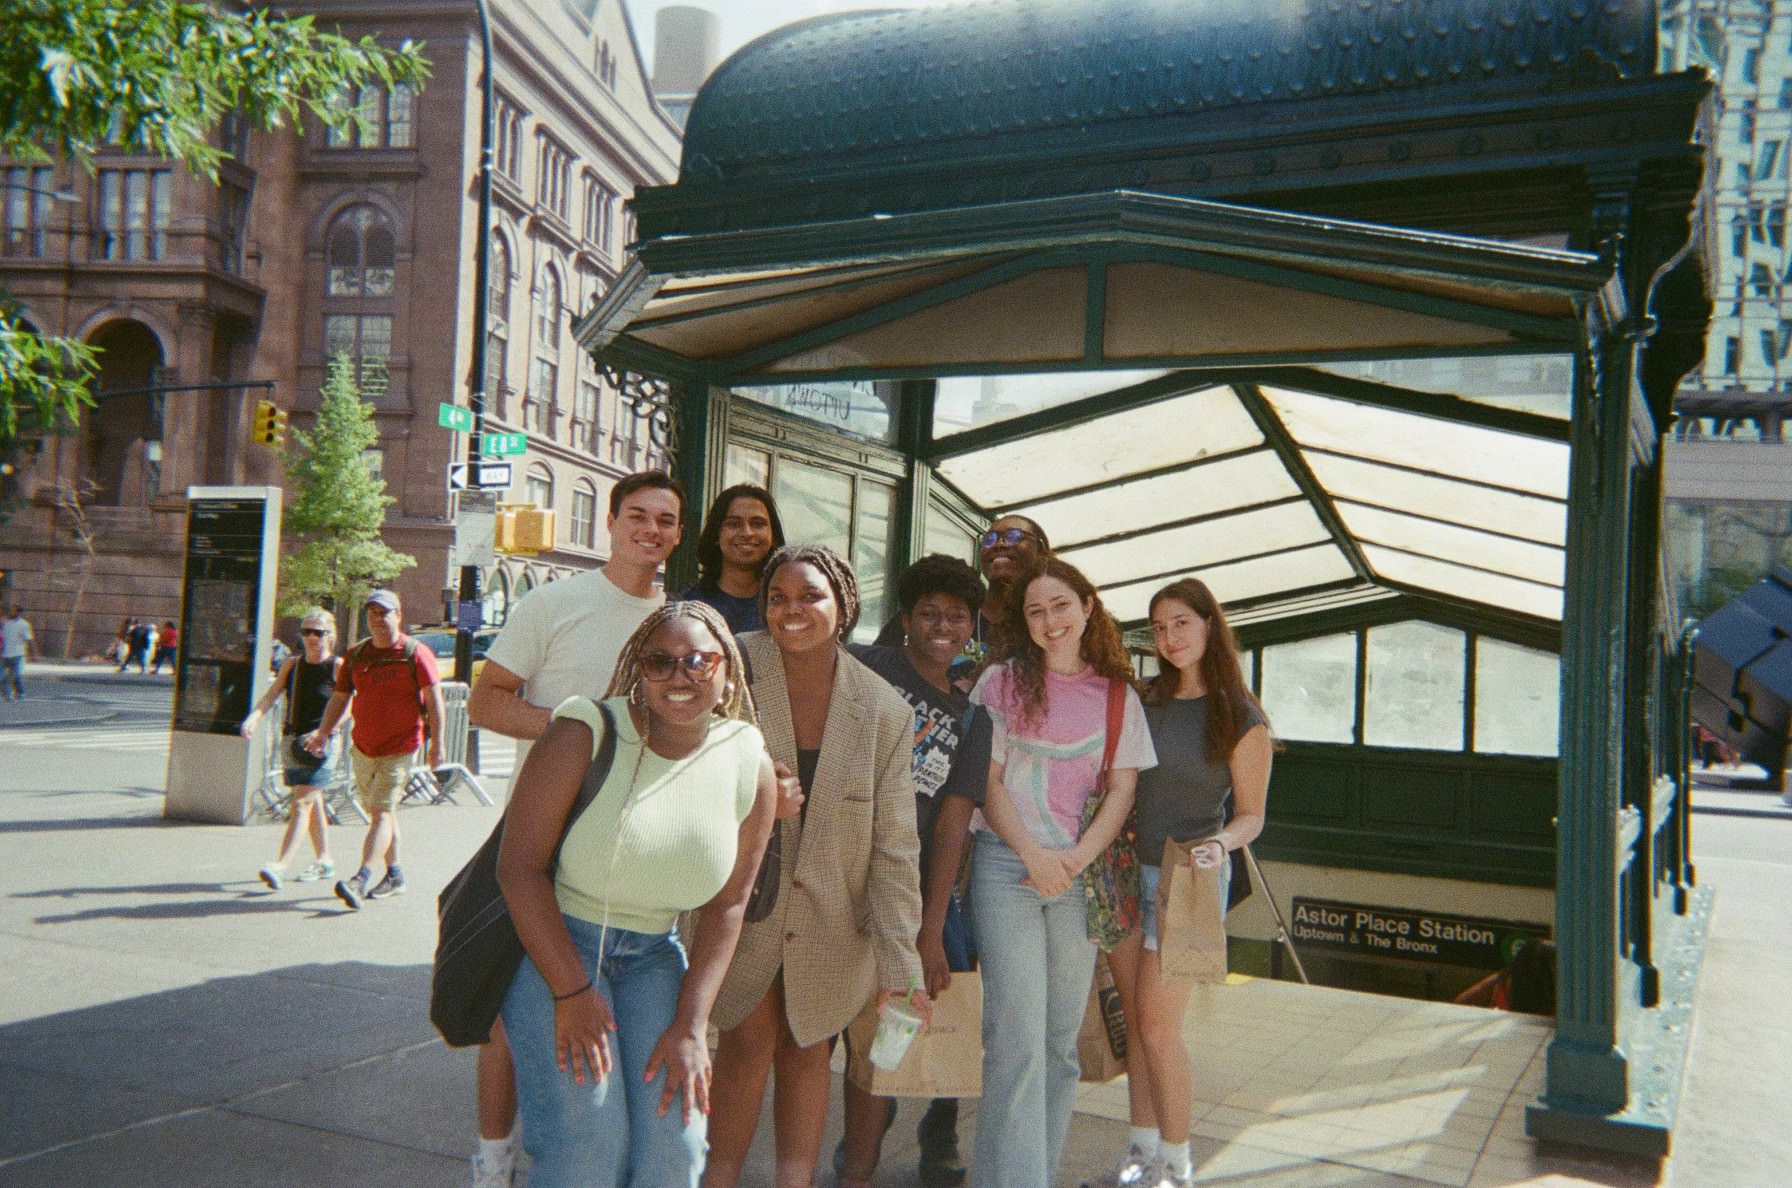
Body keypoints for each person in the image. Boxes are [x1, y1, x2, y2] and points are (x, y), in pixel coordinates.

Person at [496, 601, 779, 1188]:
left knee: (675, 1151)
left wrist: (693, 1025)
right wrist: (572, 990)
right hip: (560, 949)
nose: (680, 676)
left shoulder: (746, 757)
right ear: (637, 669)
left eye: (699, 661)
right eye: (660, 662)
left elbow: (730, 904)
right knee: (587, 1150)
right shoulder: (585, 730)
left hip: (655, 958)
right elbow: (518, 870)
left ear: (726, 671)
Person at [467, 469, 687, 1188]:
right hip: (539, 845)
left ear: (678, 534)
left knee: (602, 1035)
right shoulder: (555, 601)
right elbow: (486, 702)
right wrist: (575, 730)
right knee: (507, 1015)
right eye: (637, 515)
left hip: (631, 855)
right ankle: (494, 1156)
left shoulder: (675, 624)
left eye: (665, 520)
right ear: (613, 523)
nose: (650, 530)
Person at [703, 545, 930, 1188]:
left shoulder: (884, 709)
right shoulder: (733, 663)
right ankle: (718, 1177)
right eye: (779, 598)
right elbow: (682, 756)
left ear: (844, 606)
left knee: (809, 1052)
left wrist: (900, 964)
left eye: (811, 597)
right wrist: (748, 790)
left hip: (835, 921)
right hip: (742, 904)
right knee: (746, 1045)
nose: (792, 610)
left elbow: (894, 847)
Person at [969, 556, 1156, 1188]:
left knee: (1058, 1048)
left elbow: (1122, 792)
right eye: (1035, 610)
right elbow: (986, 784)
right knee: (1016, 1042)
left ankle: (1027, 1175)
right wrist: (1034, 856)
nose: (1050, 621)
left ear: (1087, 608)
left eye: (1060, 606)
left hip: (1078, 874)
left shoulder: (1117, 697)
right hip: (1006, 869)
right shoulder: (998, 683)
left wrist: (1071, 861)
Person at [1095, 578, 1272, 1188]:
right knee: (1137, 1025)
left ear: (1209, 627)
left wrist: (1219, 843)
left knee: (1157, 1024)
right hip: (1124, 871)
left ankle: (1176, 1163)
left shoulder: (1241, 716)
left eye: (1182, 624)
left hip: (1189, 881)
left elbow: (1251, 814)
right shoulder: (1144, 700)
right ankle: (1140, 1154)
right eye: (1160, 627)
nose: (1170, 639)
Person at [838, 554, 988, 1188]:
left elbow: (952, 829)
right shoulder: (866, 668)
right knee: (820, 1036)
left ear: (972, 626)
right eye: (929, 612)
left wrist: (930, 933)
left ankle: (859, 1171)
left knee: (887, 1034)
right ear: (905, 617)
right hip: (834, 869)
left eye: (956, 616)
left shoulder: (974, 718)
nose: (942, 626)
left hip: (908, 888)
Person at [302, 588, 443, 909]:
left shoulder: (415, 653)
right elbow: (340, 698)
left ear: (399, 615)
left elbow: (434, 701)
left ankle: (361, 878)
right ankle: (395, 875)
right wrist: (323, 733)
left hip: (401, 747)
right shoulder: (357, 654)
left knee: (380, 812)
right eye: (373, 613)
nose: (378, 619)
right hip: (364, 747)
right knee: (383, 812)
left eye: (385, 613)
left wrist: (438, 744)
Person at [241, 609, 342, 888]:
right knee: (313, 800)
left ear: (331, 636)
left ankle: (280, 865)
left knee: (302, 803)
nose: (311, 638)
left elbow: (351, 707)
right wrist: (254, 717)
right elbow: (272, 695)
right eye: (306, 632)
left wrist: (325, 731)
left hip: (323, 743)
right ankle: (324, 860)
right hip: (293, 741)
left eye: (318, 633)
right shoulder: (292, 665)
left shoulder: (337, 667)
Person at [680, 483, 785, 635]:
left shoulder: (783, 606)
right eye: (734, 524)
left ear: (773, 536)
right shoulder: (688, 605)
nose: (747, 533)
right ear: (717, 534)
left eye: (758, 524)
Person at [1, 605, 34, 701]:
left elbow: (29, 639)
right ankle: (7, 694)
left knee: (16, 676)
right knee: (2, 677)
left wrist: (33, 655)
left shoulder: (24, 625)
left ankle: (20, 693)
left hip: (18, 654)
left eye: (14, 611)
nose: (12, 613)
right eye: (11, 611)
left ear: (19, 613)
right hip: (5, 654)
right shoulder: (6, 624)